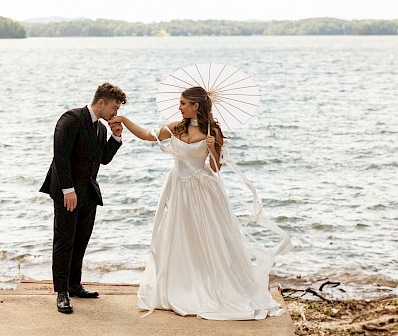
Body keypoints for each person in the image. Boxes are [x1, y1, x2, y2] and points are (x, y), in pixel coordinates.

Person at [109, 86, 292, 320]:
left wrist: (212, 147)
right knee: (179, 236)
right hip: (179, 189)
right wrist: (123, 119)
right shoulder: (176, 127)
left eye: (184, 103)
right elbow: (147, 135)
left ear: (196, 106)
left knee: (208, 238)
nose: (179, 106)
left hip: (204, 191)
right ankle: (180, 286)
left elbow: (216, 168)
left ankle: (214, 286)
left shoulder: (213, 130)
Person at [40, 83, 127, 314]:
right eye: (114, 108)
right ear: (101, 102)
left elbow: (103, 160)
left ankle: (74, 284)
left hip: (88, 192)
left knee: (81, 240)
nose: (115, 113)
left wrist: (115, 139)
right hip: (67, 192)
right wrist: (68, 190)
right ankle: (61, 292)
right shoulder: (70, 119)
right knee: (64, 240)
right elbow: (61, 155)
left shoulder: (100, 128)